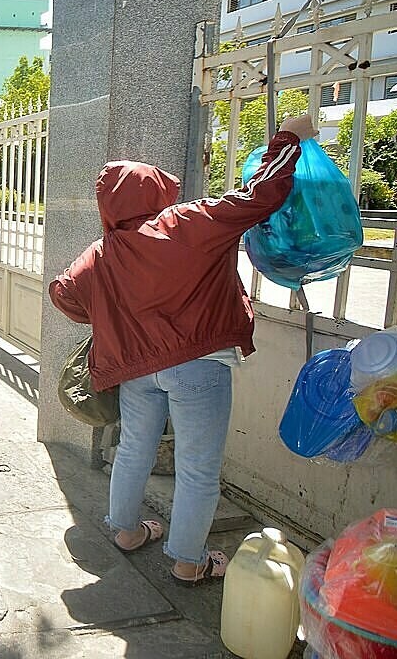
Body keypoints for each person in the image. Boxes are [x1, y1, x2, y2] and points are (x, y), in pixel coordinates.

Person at [48, 114, 318, 586]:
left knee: (133, 450)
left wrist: (112, 313)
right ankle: (189, 561)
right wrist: (289, 138)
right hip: (199, 365)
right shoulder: (189, 223)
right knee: (198, 468)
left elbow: (64, 294)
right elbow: (260, 197)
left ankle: (127, 532)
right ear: (155, 192)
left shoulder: (103, 250)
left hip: (137, 371)